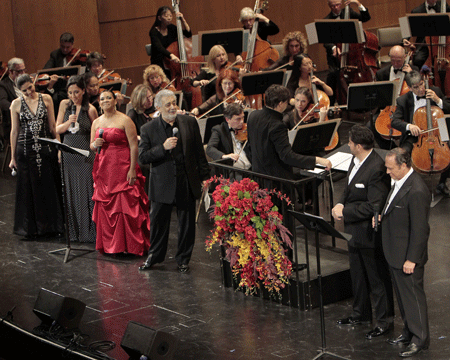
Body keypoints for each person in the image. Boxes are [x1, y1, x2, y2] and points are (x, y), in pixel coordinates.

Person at [331, 125, 394, 339]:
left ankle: (384, 321)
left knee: (377, 278)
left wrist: (345, 211)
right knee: (357, 274)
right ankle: (361, 314)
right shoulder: (355, 160)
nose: (348, 145)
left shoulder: (376, 168)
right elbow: (348, 189)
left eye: (350, 142)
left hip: (368, 232)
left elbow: (374, 205)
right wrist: (339, 203)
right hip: (353, 230)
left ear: (358, 146)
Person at [138, 89, 210, 273]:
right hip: (162, 183)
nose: (173, 107)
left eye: (174, 103)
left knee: (187, 225)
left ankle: (183, 259)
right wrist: (162, 148)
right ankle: (154, 257)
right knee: (158, 224)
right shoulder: (148, 129)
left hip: (186, 180)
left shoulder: (189, 122)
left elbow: (198, 152)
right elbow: (143, 157)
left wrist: (204, 176)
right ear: (158, 107)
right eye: (168, 104)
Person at [380, 147, 430, 357]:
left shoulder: (417, 190)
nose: (387, 172)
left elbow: (420, 230)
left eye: (391, 168)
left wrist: (412, 259)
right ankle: (409, 331)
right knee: (402, 297)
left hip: (407, 257)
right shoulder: (399, 182)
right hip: (395, 252)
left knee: (412, 298)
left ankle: (420, 339)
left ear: (403, 165)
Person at [90, 90, 150, 256]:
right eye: (102, 99)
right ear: (99, 103)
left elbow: (133, 146)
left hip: (122, 167)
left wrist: (132, 169)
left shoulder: (125, 120)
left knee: (125, 205)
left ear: (115, 101)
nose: (106, 100)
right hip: (104, 168)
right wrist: (95, 143)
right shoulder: (96, 122)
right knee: (106, 205)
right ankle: (112, 247)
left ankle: (130, 246)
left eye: (109, 97)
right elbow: (91, 146)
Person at [9, 74, 64, 238]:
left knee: (48, 185)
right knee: (28, 189)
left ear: (34, 83)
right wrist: (12, 157)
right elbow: (14, 131)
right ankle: (31, 229)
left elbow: (53, 125)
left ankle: (52, 226)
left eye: (30, 88)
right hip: (25, 150)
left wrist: (59, 146)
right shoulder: (16, 104)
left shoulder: (46, 99)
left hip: (45, 148)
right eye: (24, 91)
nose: (28, 92)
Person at [247, 84, 332, 180]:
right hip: (276, 179)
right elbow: (287, 156)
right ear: (280, 104)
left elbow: (249, 147)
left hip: (257, 174)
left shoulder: (253, 115)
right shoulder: (277, 125)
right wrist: (317, 160)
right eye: (286, 102)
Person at [391, 70, 450, 195]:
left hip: (438, 129)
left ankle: (443, 182)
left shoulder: (435, 91)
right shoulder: (403, 100)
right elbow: (394, 121)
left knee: (449, 149)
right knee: (403, 153)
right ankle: (406, 185)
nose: (421, 89)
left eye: (422, 84)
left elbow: (448, 107)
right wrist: (409, 126)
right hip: (415, 135)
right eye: (416, 87)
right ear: (410, 88)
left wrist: (438, 100)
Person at [56, 75, 98, 243]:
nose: (73, 96)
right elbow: (57, 128)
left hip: (84, 154)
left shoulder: (90, 109)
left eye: (77, 92)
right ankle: (75, 232)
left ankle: (91, 232)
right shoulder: (64, 105)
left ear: (83, 91)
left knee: (87, 191)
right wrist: (68, 123)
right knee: (71, 191)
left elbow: (96, 131)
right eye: (70, 92)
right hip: (68, 153)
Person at [324, 0, 371, 104]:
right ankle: (330, 105)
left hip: (353, 54)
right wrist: (333, 48)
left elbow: (366, 18)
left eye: (338, 5)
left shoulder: (348, 11)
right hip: (336, 57)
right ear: (329, 6)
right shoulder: (326, 20)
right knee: (332, 75)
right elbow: (325, 41)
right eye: (333, 6)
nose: (336, 8)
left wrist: (358, 4)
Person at [372, 45, 417, 149]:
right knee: (371, 126)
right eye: (393, 60)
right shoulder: (381, 73)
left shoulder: (413, 70)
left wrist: (411, 74)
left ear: (405, 57)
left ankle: (405, 148)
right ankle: (389, 150)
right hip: (387, 108)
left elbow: (418, 90)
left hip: (405, 109)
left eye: (399, 61)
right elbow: (379, 96)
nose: (396, 64)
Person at [149, 6, 192, 79]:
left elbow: (188, 34)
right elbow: (159, 48)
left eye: (170, 16)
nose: (169, 18)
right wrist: (171, 55)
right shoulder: (153, 32)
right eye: (166, 16)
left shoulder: (171, 28)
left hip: (172, 62)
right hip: (159, 61)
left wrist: (183, 20)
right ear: (159, 18)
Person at [405, 0, 450, 69]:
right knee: (418, 59)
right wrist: (404, 39)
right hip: (424, 45)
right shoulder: (416, 11)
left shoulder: (444, 6)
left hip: (443, 44)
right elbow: (404, 24)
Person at [206, 103, 251, 170]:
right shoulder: (219, 130)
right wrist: (225, 156)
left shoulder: (246, 129)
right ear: (227, 119)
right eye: (238, 119)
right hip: (232, 171)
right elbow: (210, 149)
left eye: (243, 117)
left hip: (251, 169)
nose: (242, 122)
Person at [0, 58, 26, 150]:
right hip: (15, 123)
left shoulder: (27, 82)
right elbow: (3, 102)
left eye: (24, 70)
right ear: (10, 71)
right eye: (19, 71)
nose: (23, 74)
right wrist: (17, 109)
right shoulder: (3, 85)